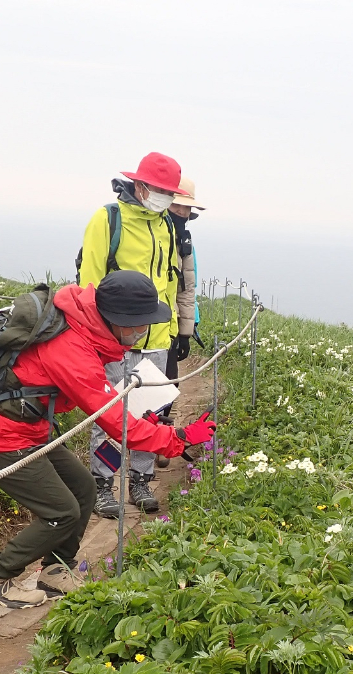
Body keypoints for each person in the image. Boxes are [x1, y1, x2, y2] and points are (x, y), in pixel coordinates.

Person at [0, 271, 216, 608]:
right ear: (115, 320)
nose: (142, 332)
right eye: (138, 324)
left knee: (83, 488)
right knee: (61, 512)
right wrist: (177, 439)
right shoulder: (71, 348)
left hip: (30, 430)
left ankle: (55, 570)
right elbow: (112, 420)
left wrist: (144, 419)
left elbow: (102, 401)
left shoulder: (83, 324)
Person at [78, 152, 182, 519]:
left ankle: (141, 479)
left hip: (156, 340)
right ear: (139, 185)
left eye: (171, 192)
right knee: (112, 414)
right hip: (113, 339)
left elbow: (170, 281)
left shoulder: (166, 224)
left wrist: (172, 334)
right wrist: (94, 339)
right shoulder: (108, 219)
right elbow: (88, 282)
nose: (166, 198)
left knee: (149, 415)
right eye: (160, 190)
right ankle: (102, 484)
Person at [157, 175, 204, 466]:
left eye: (187, 208)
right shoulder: (150, 234)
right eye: (178, 205)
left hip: (170, 326)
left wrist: (187, 330)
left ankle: (158, 443)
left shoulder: (186, 242)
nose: (183, 212)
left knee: (169, 383)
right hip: (135, 325)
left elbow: (188, 288)